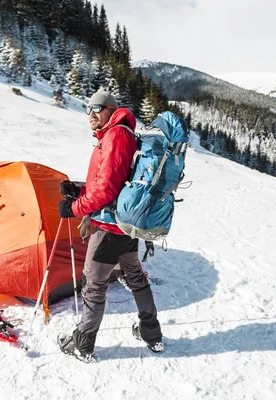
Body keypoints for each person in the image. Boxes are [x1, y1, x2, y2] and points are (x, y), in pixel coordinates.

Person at [56, 90, 163, 363]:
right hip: (124, 226)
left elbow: (105, 192)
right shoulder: (115, 135)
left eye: (97, 107)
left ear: (110, 109)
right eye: (87, 108)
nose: (91, 113)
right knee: (136, 278)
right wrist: (78, 190)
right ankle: (152, 334)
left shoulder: (116, 135)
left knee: (94, 284)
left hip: (108, 229)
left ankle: (83, 343)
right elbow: (107, 184)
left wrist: (74, 209)